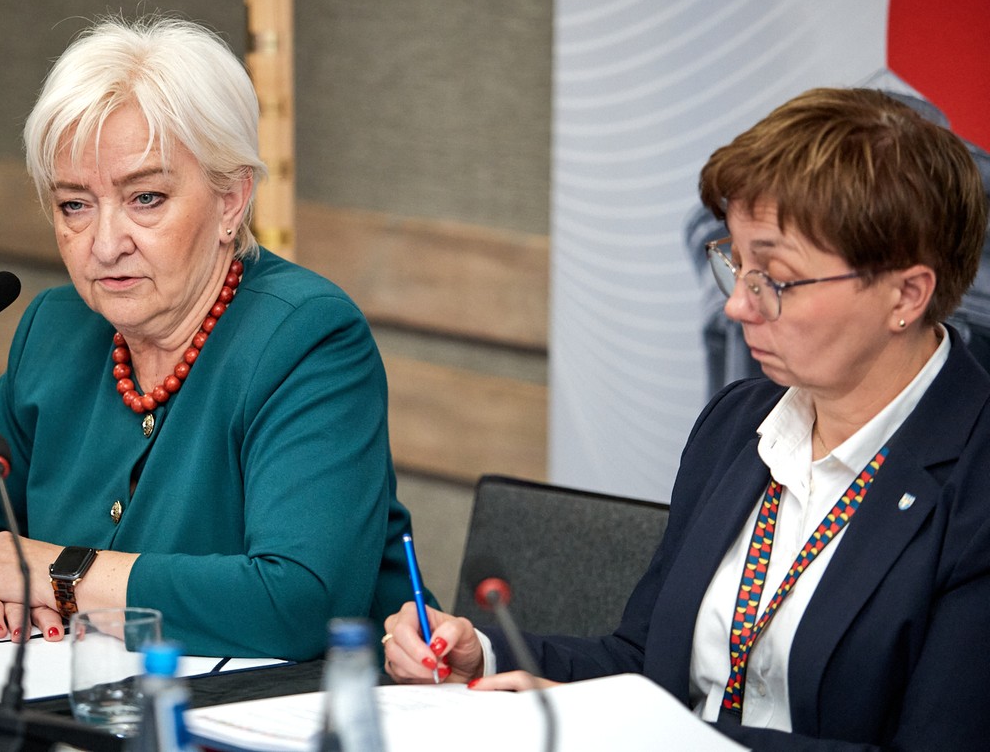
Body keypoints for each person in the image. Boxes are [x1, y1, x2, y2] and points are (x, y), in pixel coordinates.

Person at [383, 87, 990, 750]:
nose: (737, 306)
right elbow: (648, 665)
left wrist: (656, 736)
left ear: (906, 294)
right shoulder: (737, 425)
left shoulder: (976, 480)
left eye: (774, 278)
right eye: (735, 263)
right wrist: (486, 657)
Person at [0, 15, 431, 661]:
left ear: (231, 200)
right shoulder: (57, 329)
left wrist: (55, 577)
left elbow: (301, 603)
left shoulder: (306, 337)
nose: (105, 244)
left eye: (145, 198)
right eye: (74, 204)